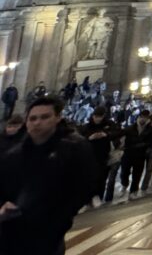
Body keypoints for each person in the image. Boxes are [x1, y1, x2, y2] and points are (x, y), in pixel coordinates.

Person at [0, 97, 95, 255]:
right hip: (12, 228)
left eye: (45, 117)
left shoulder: (73, 148)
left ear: (57, 118)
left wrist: (58, 218)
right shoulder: (15, 152)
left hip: (47, 232)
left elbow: (83, 188)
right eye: (33, 118)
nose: (37, 123)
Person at [79, 105, 122, 208]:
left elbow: (118, 132)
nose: (97, 119)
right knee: (90, 178)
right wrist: (90, 137)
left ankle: (99, 197)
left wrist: (105, 134)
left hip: (104, 155)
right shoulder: (87, 126)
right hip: (90, 156)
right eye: (96, 116)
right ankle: (88, 199)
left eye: (100, 117)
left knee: (102, 177)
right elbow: (80, 138)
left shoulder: (109, 124)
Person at [120, 108, 152, 200]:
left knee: (137, 173)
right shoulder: (131, 128)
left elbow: (150, 141)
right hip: (128, 153)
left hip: (140, 154)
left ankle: (133, 191)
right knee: (125, 171)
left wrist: (142, 146)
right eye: (142, 117)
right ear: (139, 117)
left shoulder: (150, 129)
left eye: (145, 117)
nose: (143, 119)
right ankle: (124, 184)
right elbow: (122, 135)